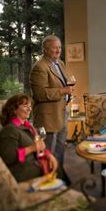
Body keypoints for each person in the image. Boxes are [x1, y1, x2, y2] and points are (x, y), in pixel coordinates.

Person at [30, 35, 73, 165]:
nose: (58, 50)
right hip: (48, 118)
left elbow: (62, 84)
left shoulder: (60, 63)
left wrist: (68, 91)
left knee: (60, 148)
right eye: (54, 48)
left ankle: (58, 174)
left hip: (62, 112)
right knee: (48, 150)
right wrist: (63, 91)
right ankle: (47, 177)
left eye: (59, 47)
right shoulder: (40, 67)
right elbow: (39, 94)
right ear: (45, 49)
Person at [0, 94, 58, 182]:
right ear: (14, 110)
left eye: (30, 106)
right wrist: (31, 148)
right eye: (25, 106)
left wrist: (48, 155)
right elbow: (8, 157)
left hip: (38, 165)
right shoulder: (9, 129)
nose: (30, 109)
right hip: (25, 173)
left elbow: (38, 146)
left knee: (58, 170)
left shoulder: (28, 127)